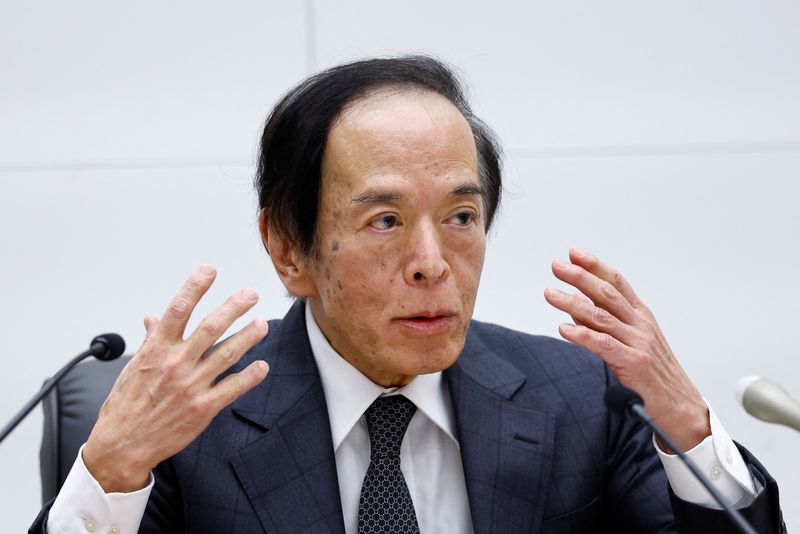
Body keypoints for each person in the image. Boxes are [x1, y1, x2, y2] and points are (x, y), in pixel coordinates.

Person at [31, 56, 784, 533]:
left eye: (460, 216)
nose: (432, 263)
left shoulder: (579, 397)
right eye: (385, 221)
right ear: (288, 249)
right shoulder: (194, 425)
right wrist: (111, 472)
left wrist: (685, 423)